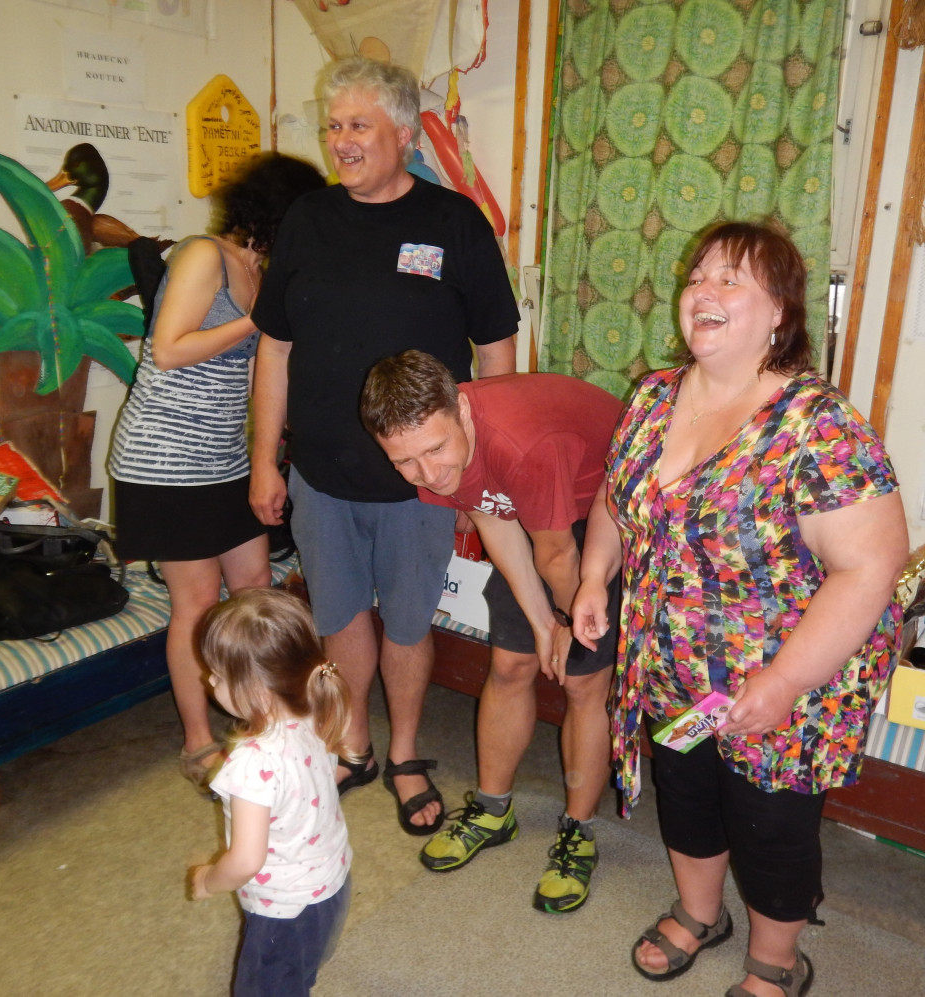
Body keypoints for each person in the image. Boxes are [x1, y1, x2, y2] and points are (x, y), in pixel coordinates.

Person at [572, 220, 907, 997]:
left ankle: (777, 958)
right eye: (698, 276)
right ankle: (699, 912)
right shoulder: (653, 395)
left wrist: (785, 681)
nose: (705, 290)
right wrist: (594, 575)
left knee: (770, 823)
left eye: (731, 279)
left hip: (782, 681)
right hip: (670, 670)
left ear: (780, 313)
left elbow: (871, 565)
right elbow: (617, 498)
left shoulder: (818, 425)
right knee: (686, 794)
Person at [249, 56, 518, 835]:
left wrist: (478, 469)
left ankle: (404, 753)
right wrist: (265, 459)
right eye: (334, 125)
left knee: (406, 622)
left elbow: (497, 352)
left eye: (358, 125)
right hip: (320, 472)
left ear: (403, 133)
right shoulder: (307, 219)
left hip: (422, 480)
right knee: (339, 617)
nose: (341, 140)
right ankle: (354, 743)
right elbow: (275, 348)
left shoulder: (454, 222)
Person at [360, 350, 623, 913]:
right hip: (530, 509)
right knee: (509, 664)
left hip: (607, 512)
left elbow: (557, 555)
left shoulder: (520, 442)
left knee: (582, 683)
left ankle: (578, 830)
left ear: (461, 409)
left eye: (435, 450)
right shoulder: (435, 452)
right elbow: (488, 512)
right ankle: (492, 809)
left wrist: (563, 623)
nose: (428, 474)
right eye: (404, 461)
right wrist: (540, 623)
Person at [109, 154, 326, 792]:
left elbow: (263, 370)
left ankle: (259, 716)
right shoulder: (203, 255)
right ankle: (198, 740)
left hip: (223, 458)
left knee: (255, 586)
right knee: (198, 605)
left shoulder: (261, 272)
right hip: (164, 461)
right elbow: (168, 349)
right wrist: (257, 320)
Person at [188, 588, 354, 997]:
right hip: (331, 881)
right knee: (297, 971)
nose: (208, 680)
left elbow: (246, 860)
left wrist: (209, 880)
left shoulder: (250, 764)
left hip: (284, 909)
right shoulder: (315, 708)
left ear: (258, 691)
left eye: (218, 676)